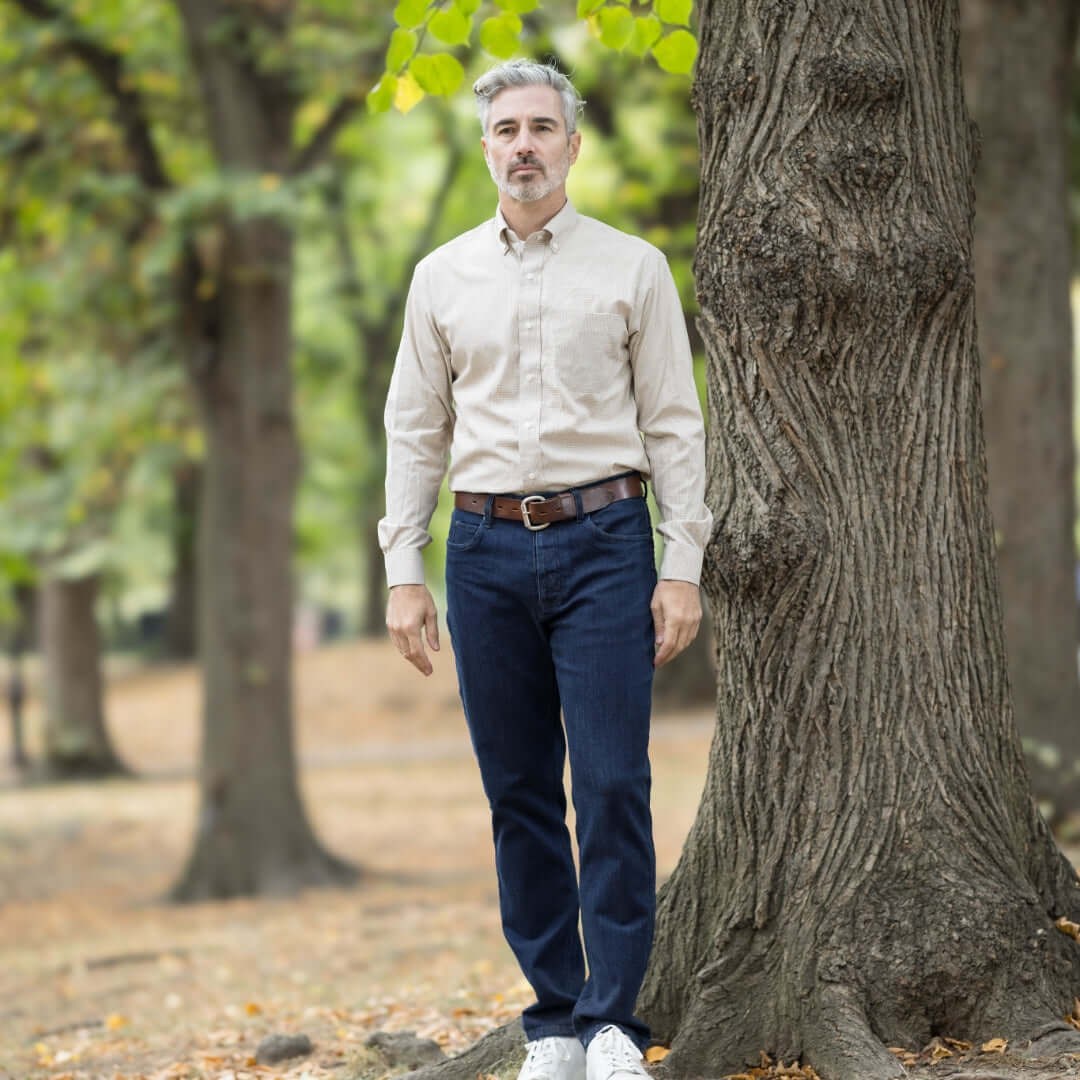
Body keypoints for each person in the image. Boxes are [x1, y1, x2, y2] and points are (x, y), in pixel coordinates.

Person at [380, 59, 711, 1080]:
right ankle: (555, 1022)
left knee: (612, 783)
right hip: (479, 556)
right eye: (505, 129)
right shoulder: (441, 277)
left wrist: (682, 560)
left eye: (541, 128)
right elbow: (413, 429)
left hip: (606, 542)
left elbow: (673, 424)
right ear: (486, 148)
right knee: (518, 791)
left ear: (573, 144)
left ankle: (615, 1021)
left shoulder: (633, 267)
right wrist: (403, 566)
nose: (522, 144)